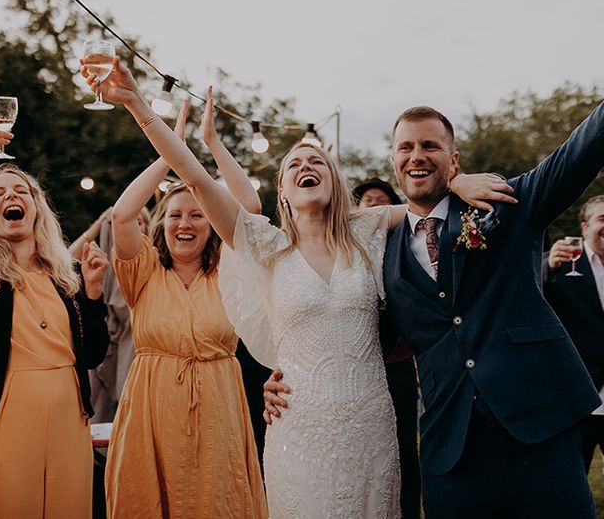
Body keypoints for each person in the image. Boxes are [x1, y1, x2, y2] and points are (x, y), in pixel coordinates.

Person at [83, 57, 503, 518]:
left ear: (333, 181)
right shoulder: (264, 245)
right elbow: (196, 177)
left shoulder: (369, 228)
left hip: (370, 422)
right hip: (298, 425)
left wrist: (458, 179)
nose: (307, 165)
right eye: (294, 164)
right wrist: (137, 103)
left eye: (317, 160)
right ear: (282, 191)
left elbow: (427, 199)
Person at [379, 105, 602, 517]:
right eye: (405, 147)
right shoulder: (381, 253)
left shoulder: (503, 203)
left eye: (431, 145)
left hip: (539, 429)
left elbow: (578, 153)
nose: (417, 156)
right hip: (452, 451)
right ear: (394, 160)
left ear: (453, 159)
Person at [104, 98, 267, 517]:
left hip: (217, 406)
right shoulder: (142, 272)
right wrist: (169, 150)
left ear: (211, 226)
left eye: (197, 215)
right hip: (151, 407)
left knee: (214, 499)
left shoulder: (228, 271)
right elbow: (122, 215)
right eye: (175, 215)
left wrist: (209, 144)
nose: (185, 224)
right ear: (161, 224)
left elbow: (250, 208)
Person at [0, 118, 110, 519]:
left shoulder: (63, 278)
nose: (10, 196)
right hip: (2, 413)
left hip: (69, 419)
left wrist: (91, 292)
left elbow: (93, 354)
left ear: (37, 211)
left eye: (22, 191)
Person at [354, 178, 421, 519]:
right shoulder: (345, 248)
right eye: (368, 200)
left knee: (404, 448)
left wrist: (410, 348)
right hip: (354, 369)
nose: (375, 206)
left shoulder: (403, 248)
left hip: (396, 363)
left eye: (383, 201)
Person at [68, 205, 150, 423]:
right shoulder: (95, 267)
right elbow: (66, 261)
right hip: (103, 348)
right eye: (118, 224)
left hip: (135, 349)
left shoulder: (155, 264)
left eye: (138, 221)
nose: (129, 227)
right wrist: (97, 225)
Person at [543, 195, 604, 474]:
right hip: (580, 393)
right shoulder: (565, 262)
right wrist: (548, 266)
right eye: (602, 219)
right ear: (584, 227)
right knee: (573, 477)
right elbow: (527, 286)